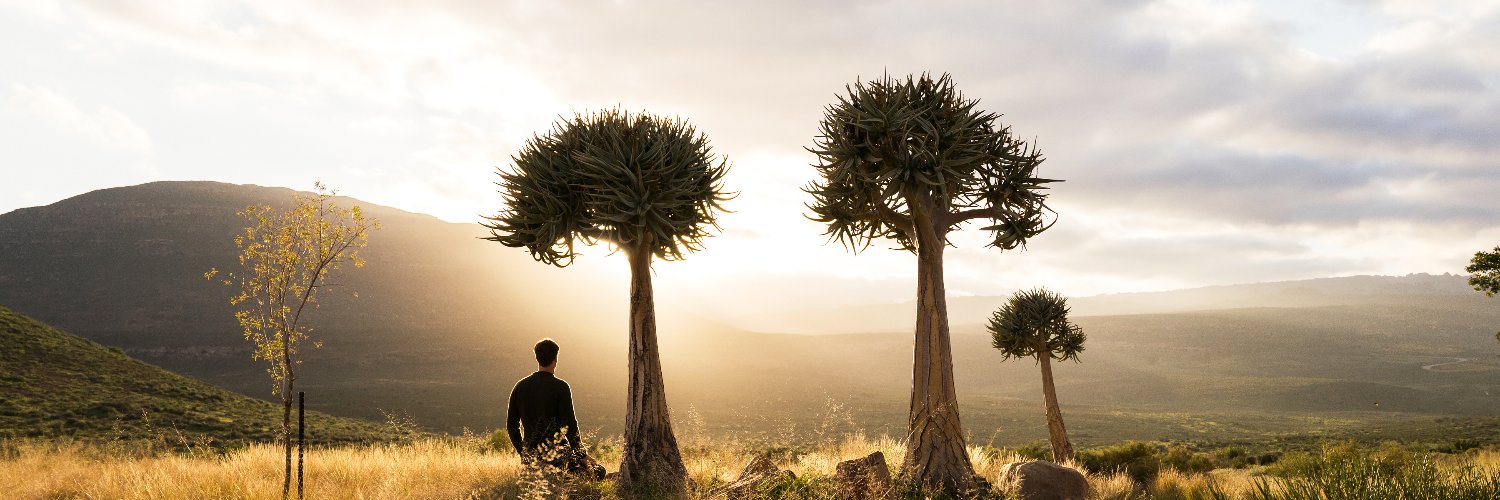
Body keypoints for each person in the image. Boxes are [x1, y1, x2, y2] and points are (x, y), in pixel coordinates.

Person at [506, 338, 605, 479]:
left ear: (537, 359)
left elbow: (511, 426)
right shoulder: (561, 387)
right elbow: (570, 425)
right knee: (599, 471)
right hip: (559, 458)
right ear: (555, 360)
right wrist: (581, 455)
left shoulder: (520, 387)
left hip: (532, 459)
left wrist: (524, 453)